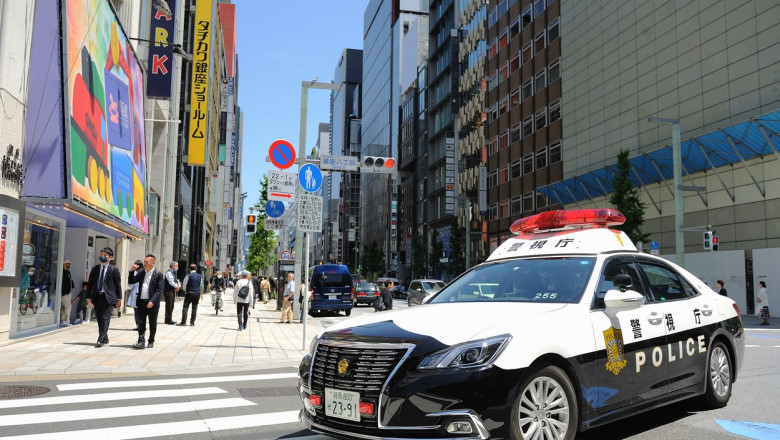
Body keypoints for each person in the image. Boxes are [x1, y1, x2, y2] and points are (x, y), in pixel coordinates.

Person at [86, 247, 122, 348]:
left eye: (105, 255)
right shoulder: (95, 268)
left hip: (108, 298)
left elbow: (118, 285)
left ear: (110, 257)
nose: (102, 257)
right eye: (101, 255)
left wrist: (119, 299)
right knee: (99, 318)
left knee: (105, 318)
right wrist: (88, 297)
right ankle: (105, 337)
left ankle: (100, 339)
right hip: (97, 296)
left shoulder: (114, 269)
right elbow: (90, 284)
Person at [128, 254, 164, 349]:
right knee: (141, 322)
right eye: (144, 261)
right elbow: (132, 281)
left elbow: (159, 290)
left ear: (153, 262)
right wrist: (132, 271)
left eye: (146, 261)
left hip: (152, 303)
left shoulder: (158, 274)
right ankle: (141, 341)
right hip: (141, 302)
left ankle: (151, 341)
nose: (144, 263)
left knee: (152, 323)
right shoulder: (141, 272)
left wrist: (152, 301)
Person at [126, 259, 143, 330]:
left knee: (136, 311)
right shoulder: (144, 272)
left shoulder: (135, 273)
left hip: (136, 293)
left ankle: (138, 324)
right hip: (142, 293)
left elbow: (131, 284)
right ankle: (141, 324)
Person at [60, 260, 75, 326]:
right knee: (66, 306)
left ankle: (65, 320)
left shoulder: (68, 272)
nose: (69, 265)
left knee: (67, 307)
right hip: (63, 293)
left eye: (69, 264)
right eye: (67, 264)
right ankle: (65, 320)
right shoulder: (61, 272)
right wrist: (64, 292)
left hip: (67, 293)